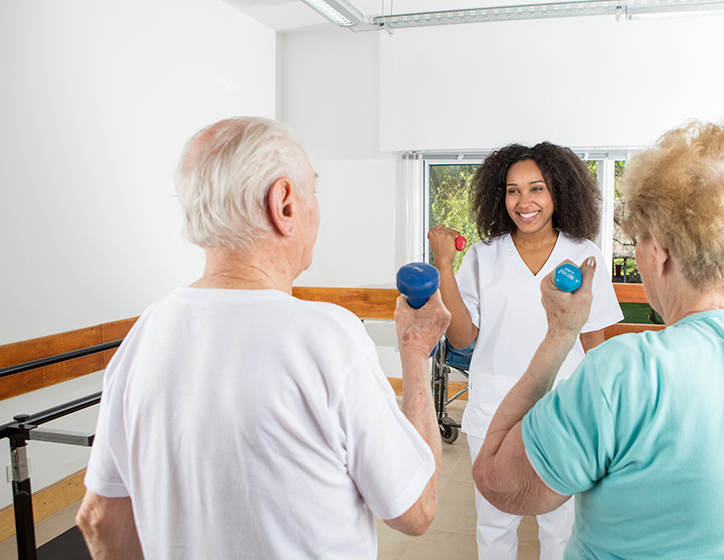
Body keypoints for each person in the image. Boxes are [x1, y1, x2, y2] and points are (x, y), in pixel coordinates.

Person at [76, 117, 451, 559]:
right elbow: (417, 508)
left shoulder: (144, 335)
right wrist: (415, 352)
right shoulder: (328, 339)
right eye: (313, 191)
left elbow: (99, 519)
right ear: (285, 205)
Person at [472, 117, 724, 559]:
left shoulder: (623, 375)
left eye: (637, 240)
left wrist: (560, 334)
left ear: (659, 251)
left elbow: (499, 481)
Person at [428, 142, 623, 559]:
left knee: (562, 528)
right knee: (495, 526)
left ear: (558, 192)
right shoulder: (484, 255)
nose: (524, 201)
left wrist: (604, 413)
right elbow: (463, 339)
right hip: (494, 406)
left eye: (536, 188)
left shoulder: (583, 253)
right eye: (513, 190)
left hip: (565, 408)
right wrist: (444, 266)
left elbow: (594, 343)